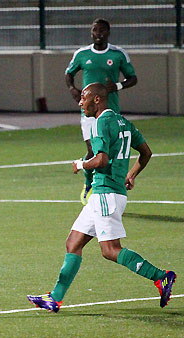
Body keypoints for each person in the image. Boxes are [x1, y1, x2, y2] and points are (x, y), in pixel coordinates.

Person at [27, 83, 176, 313]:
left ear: (97, 99)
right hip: (105, 193)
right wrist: (131, 174)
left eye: (84, 97)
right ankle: (54, 298)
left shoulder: (100, 122)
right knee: (73, 243)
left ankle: (161, 277)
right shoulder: (122, 121)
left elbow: (102, 160)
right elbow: (146, 151)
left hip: (106, 193)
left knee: (110, 250)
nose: (80, 102)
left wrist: (80, 164)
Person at [65, 18, 137, 205]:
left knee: (109, 151)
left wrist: (118, 86)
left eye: (102, 30)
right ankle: (89, 185)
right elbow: (68, 74)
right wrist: (72, 89)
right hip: (89, 113)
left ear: (108, 33)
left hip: (111, 112)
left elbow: (133, 78)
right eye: (95, 30)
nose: (98, 33)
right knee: (93, 150)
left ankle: (111, 184)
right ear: (91, 32)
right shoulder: (82, 54)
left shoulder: (118, 54)